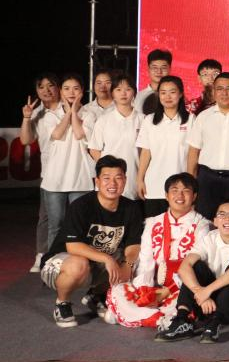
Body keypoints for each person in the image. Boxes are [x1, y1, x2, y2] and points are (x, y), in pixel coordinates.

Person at [40, 155, 143, 327]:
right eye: (106, 178)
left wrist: (128, 265)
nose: (112, 183)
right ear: (97, 181)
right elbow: (73, 246)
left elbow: (134, 244)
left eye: (118, 178)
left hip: (98, 262)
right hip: (60, 265)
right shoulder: (81, 206)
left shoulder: (131, 208)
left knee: (135, 261)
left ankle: (95, 296)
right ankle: (62, 303)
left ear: (125, 180)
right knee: (79, 264)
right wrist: (107, 259)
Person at [106, 173, 211, 329]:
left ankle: (138, 315)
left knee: (183, 302)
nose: (180, 195)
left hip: (181, 287)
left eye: (186, 191)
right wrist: (145, 290)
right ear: (166, 196)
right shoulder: (153, 222)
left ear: (194, 196)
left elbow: (198, 263)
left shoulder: (202, 225)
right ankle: (156, 317)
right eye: (174, 190)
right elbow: (145, 258)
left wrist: (167, 291)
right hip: (153, 283)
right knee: (118, 289)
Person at [155, 198, 229, 343]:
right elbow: (184, 267)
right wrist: (200, 292)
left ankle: (215, 323)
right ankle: (182, 319)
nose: (227, 219)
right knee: (196, 266)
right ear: (215, 221)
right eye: (222, 214)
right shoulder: (209, 238)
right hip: (207, 305)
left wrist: (207, 290)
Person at [187, 72, 229, 220]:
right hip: (207, 179)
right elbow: (194, 150)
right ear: (213, 91)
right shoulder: (203, 117)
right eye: (219, 89)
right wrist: (190, 181)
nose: (224, 93)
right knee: (204, 222)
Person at [39, 74, 96, 249]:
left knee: (79, 225)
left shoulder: (89, 114)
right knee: (55, 225)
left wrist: (74, 111)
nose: (71, 92)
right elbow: (57, 134)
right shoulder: (51, 115)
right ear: (61, 91)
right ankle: (51, 260)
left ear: (82, 91)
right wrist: (69, 112)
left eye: (76, 88)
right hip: (55, 179)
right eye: (66, 88)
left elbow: (79, 134)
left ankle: (79, 260)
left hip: (80, 178)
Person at [20, 72, 62, 271]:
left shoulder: (68, 108)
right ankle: (42, 255)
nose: (46, 90)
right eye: (41, 87)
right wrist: (26, 117)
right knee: (46, 217)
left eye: (50, 85)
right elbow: (26, 140)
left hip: (75, 170)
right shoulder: (36, 113)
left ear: (58, 88)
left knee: (72, 216)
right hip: (49, 173)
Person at [136, 76, 192, 218]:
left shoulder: (191, 120)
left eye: (172, 92)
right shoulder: (149, 120)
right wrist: (140, 179)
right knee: (154, 226)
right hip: (154, 185)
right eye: (163, 92)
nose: (167, 97)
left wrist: (191, 183)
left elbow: (193, 154)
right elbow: (146, 152)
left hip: (181, 187)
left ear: (180, 94)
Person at [89, 73, 142, 202]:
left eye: (128, 89)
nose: (123, 93)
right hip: (109, 180)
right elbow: (94, 149)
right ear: (112, 93)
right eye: (118, 90)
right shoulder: (104, 120)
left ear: (134, 93)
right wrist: (109, 168)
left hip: (134, 177)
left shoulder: (143, 119)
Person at [136, 49, 172, 114]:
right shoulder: (138, 97)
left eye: (163, 68)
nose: (159, 71)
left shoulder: (175, 97)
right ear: (148, 69)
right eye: (155, 68)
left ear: (170, 69)